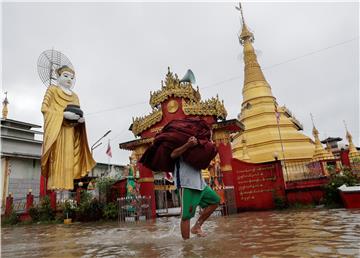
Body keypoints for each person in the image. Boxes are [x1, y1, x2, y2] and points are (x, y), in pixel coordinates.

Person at [41, 65, 96, 190]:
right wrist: (62, 114)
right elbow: (44, 109)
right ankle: (56, 189)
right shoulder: (52, 90)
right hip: (57, 132)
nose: (69, 79)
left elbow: (78, 112)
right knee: (57, 159)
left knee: (69, 161)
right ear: (58, 76)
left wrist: (80, 121)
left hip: (71, 132)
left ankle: (67, 191)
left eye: (72, 77)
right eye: (65, 76)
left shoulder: (75, 96)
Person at [171, 136, 220, 240]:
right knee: (186, 216)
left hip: (200, 182)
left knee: (215, 201)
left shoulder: (197, 141)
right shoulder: (178, 138)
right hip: (186, 183)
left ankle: (197, 226)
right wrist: (187, 145)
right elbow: (173, 154)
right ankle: (187, 246)